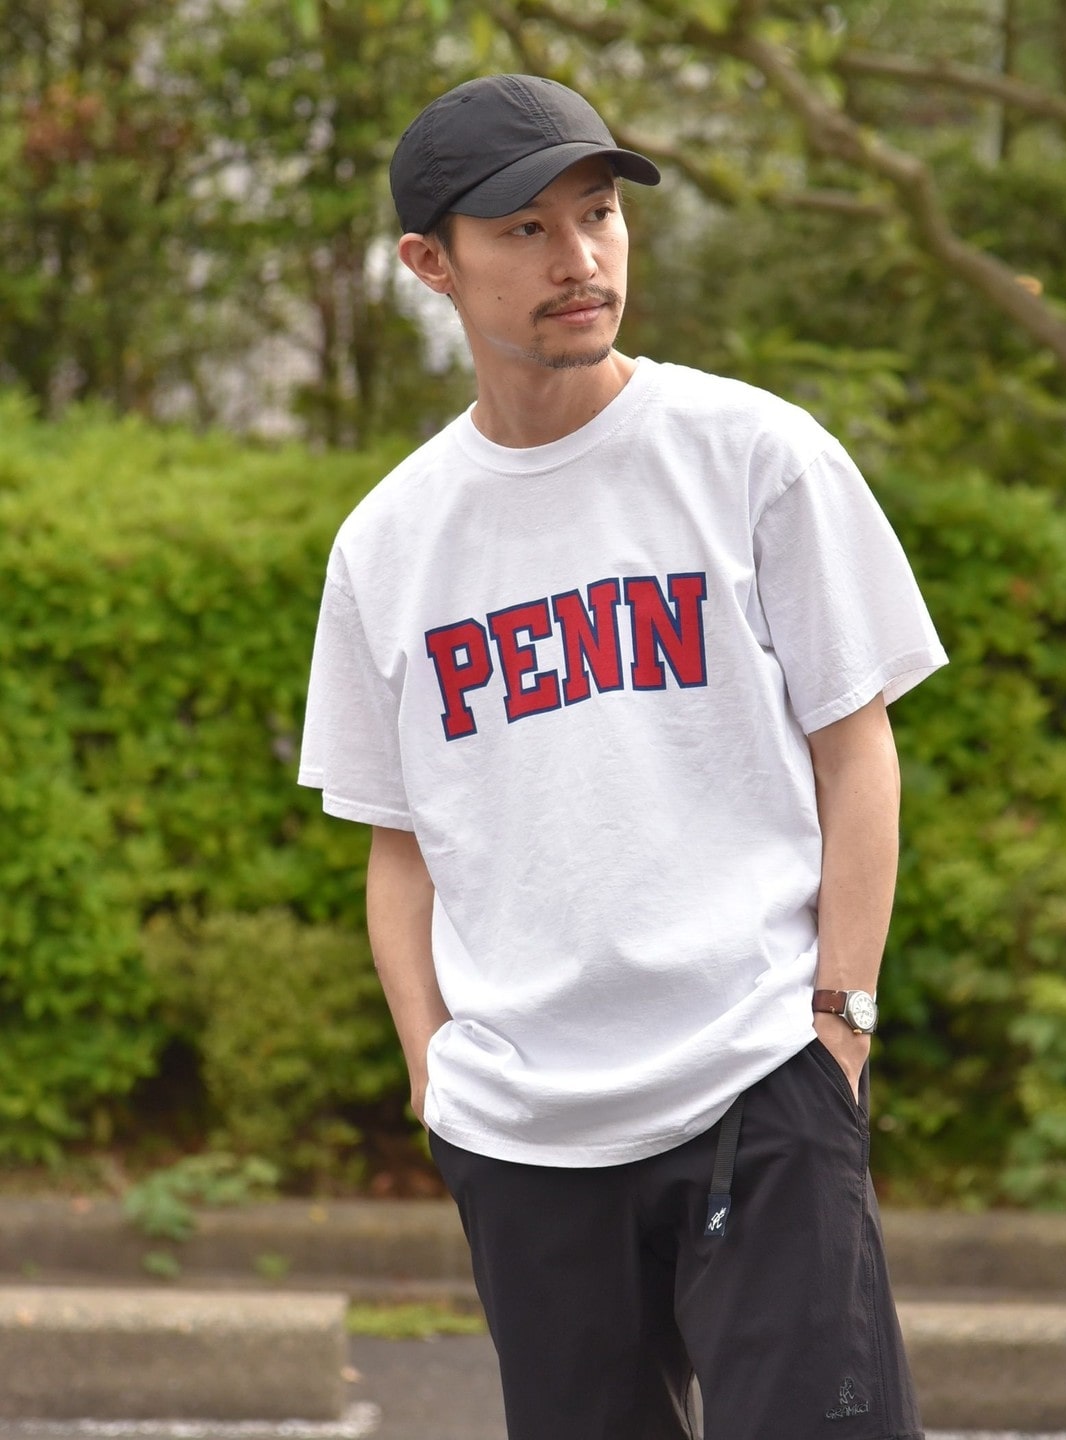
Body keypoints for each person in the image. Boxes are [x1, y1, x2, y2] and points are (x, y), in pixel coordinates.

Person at [299, 72, 946, 1440]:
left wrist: (840, 1025)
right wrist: (433, 1073)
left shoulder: (754, 455)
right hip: (524, 1134)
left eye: (596, 215)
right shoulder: (388, 544)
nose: (578, 259)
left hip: (758, 1079)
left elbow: (857, 750)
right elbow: (399, 847)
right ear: (430, 263)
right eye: (524, 230)